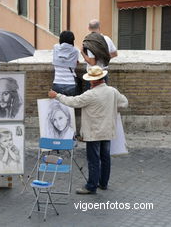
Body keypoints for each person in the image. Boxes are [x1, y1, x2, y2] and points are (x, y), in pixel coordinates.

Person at [48, 65, 128, 194]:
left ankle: (91, 186)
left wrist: (57, 95)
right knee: (105, 158)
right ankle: (103, 183)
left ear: (93, 80)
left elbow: (73, 102)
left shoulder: (91, 94)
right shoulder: (112, 91)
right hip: (107, 130)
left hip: (94, 132)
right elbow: (124, 103)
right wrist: (111, 106)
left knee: (94, 159)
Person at [80, 19, 117, 84]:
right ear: (99, 27)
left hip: (92, 75)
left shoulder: (89, 41)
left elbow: (92, 63)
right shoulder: (107, 39)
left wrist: (82, 53)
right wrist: (104, 57)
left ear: (89, 28)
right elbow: (114, 54)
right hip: (103, 73)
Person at [52, 30, 80, 96]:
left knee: (58, 106)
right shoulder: (75, 51)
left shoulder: (55, 48)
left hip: (57, 82)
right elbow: (75, 63)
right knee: (70, 105)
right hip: (71, 83)